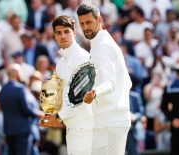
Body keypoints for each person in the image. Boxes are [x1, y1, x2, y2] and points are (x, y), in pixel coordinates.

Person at [77, 3, 132, 155]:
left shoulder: (102, 46)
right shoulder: (101, 44)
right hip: (110, 118)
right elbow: (127, 81)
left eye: (89, 22)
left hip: (110, 121)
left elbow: (110, 83)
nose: (85, 27)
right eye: (82, 23)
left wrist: (94, 92)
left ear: (99, 20)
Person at [39, 15, 93, 155]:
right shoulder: (61, 63)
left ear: (74, 33)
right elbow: (59, 96)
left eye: (66, 31)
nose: (63, 36)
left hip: (86, 127)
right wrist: (50, 113)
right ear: (55, 36)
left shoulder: (83, 58)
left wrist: (57, 117)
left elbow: (81, 99)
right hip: (72, 126)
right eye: (58, 33)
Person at [0, 63, 43, 155]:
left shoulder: (3, 90)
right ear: (17, 73)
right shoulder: (20, 89)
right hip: (22, 130)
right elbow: (26, 109)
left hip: (8, 130)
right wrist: (39, 114)